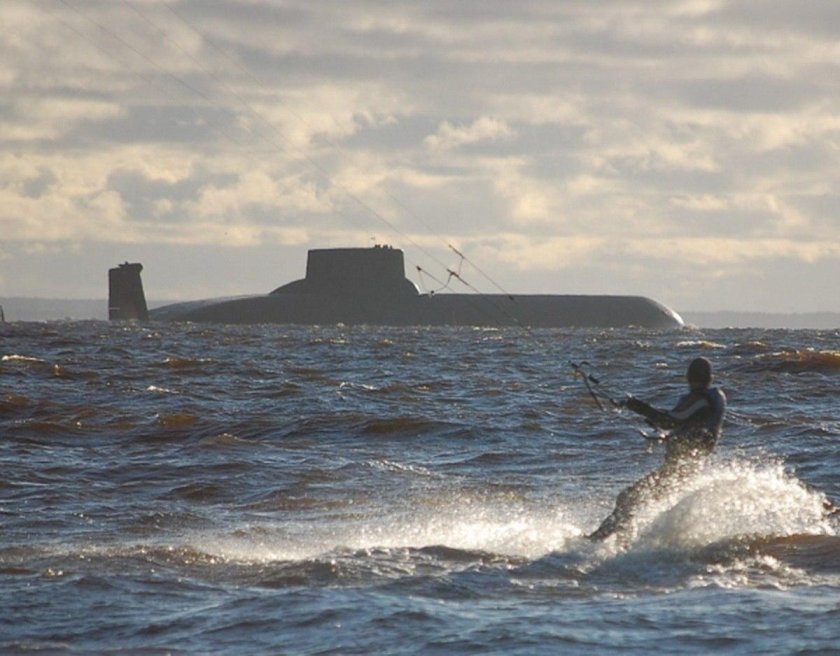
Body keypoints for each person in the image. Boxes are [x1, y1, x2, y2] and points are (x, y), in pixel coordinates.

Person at [588, 357, 726, 541]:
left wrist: (638, 406)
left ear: (688, 377)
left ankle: (599, 541)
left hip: (680, 470)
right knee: (630, 499)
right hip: (686, 468)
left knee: (628, 498)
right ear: (710, 377)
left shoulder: (701, 401)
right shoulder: (710, 399)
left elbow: (670, 420)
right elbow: (683, 422)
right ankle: (622, 541)